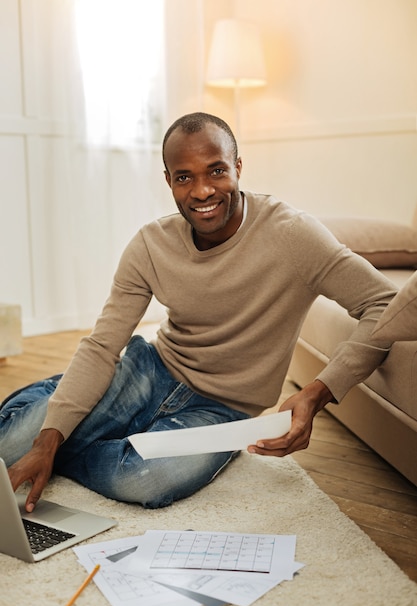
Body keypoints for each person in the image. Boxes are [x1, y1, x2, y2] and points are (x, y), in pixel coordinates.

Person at [0, 112, 396, 512]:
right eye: (185, 177)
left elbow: (383, 303)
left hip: (223, 409)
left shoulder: (292, 234)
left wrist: (317, 393)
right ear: (169, 181)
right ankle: (64, 417)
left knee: (143, 479)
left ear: (238, 167)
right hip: (149, 370)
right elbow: (102, 346)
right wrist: (48, 437)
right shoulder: (150, 245)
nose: (202, 190)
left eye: (217, 171)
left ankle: (71, 440)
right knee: (11, 446)